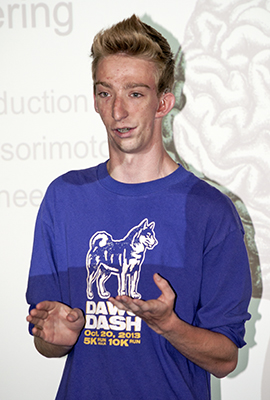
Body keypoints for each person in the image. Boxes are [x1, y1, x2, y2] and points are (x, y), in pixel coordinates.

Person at [26, 15, 252, 400]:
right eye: (105, 93)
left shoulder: (209, 211)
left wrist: (169, 325)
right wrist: (56, 339)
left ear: (163, 101)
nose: (118, 112)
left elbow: (225, 358)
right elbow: (47, 340)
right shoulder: (63, 198)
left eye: (135, 93)